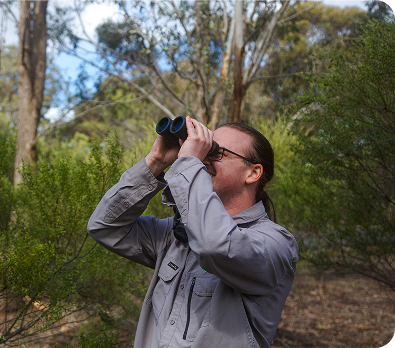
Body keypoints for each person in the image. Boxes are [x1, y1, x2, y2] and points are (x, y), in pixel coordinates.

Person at [87, 116, 299, 348]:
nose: (204, 159)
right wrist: (156, 162)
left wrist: (189, 162)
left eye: (216, 152)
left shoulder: (276, 243)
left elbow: (215, 246)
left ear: (253, 173)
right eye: (203, 149)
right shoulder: (176, 234)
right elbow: (104, 226)